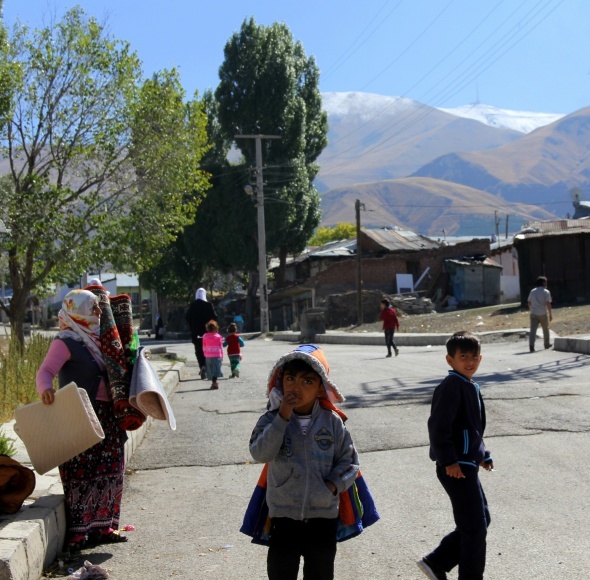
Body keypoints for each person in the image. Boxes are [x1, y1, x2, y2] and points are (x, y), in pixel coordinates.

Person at [249, 344, 360, 580]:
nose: (297, 387)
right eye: (290, 379)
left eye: (307, 381)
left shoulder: (332, 422)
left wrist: (330, 486)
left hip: (323, 518)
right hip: (283, 517)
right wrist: (282, 417)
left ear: (321, 387)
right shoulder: (270, 419)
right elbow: (260, 453)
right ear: (281, 381)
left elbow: (350, 463)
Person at [36, 289, 129, 551]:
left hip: (108, 418)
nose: (99, 312)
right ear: (77, 310)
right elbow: (45, 371)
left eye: (99, 308)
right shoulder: (66, 341)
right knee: (82, 472)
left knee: (111, 469)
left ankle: (105, 527)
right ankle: (79, 533)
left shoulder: (103, 339)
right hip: (79, 416)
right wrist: (46, 389)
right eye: (93, 308)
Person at [418, 331, 494, 580]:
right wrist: (448, 460)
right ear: (450, 360)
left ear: (480, 358)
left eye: (474, 357)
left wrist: (482, 454)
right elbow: (439, 427)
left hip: (466, 463)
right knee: (475, 528)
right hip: (454, 466)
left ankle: (437, 562)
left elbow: (471, 428)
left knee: (481, 520)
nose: (469, 361)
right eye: (463, 357)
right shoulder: (451, 386)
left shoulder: (470, 385)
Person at [186, 288, 217, 379]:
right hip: (208, 333)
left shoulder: (193, 305)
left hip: (196, 333)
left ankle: (202, 366)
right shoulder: (208, 305)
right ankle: (208, 367)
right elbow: (214, 317)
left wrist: (192, 326)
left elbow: (187, 317)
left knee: (199, 350)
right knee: (208, 350)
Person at [527, 276, 553, 352]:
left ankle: (531, 345)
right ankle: (546, 344)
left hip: (534, 313)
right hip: (543, 313)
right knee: (545, 329)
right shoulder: (546, 292)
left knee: (533, 330)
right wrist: (550, 314)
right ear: (543, 283)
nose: (546, 283)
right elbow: (548, 303)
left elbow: (529, 302)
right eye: (546, 282)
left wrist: (531, 309)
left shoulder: (532, 291)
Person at [202, 319, 223, 390]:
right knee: (216, 369)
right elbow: (221, 346)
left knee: (210, 369)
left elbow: (204, 346)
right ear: (216, 328)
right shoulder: (218, 336)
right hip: (217, 355)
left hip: (208, 355)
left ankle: (213, 383)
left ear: (207, 328)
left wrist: (205, 353)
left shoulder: (205, 336)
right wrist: (222, 355)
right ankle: (215, 382)